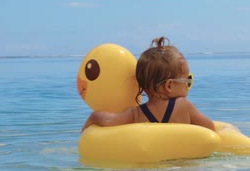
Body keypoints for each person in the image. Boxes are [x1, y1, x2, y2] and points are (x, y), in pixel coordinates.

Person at [82, 37, 215, 131]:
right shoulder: (184, 107)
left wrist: (93, 118)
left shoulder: (136, 114)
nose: (189, 86)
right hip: (181, 168)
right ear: (169, 86)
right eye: (188, 81)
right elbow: (210, 128)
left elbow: (106, 120)